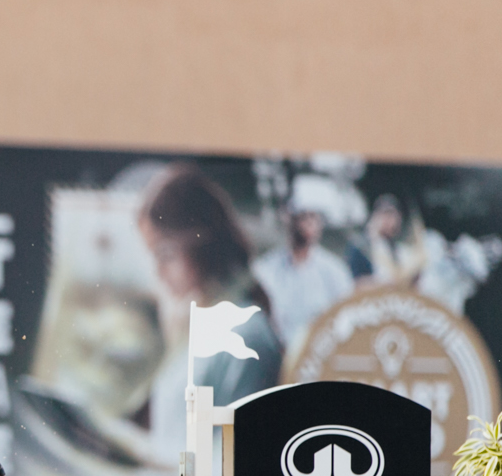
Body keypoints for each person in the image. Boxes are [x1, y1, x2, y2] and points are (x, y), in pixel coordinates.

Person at [136, 165, 283, 451]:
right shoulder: (201, 330)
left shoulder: (245, 336)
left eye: (165, 254)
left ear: (201, 244)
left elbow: (237, 457)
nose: (158, 272)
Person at [251, 203, 353, 345]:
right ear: (288, 220)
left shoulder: (334, 270)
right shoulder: (266, 268)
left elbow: (346, 318)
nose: (308, 223)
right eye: (302, 217)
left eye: (313, 217)